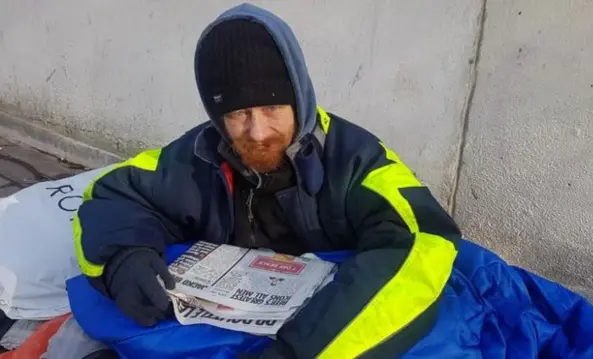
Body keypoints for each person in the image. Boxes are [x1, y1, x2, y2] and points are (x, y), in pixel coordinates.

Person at [73, 3, 461, 358]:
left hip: (326, 335)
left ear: (300, 98)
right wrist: (124, 258)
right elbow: (111, 195)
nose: (258, 132)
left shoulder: (358, 161)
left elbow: (420, 244)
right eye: (238, 113)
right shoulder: (200, 153)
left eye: (273, 107)